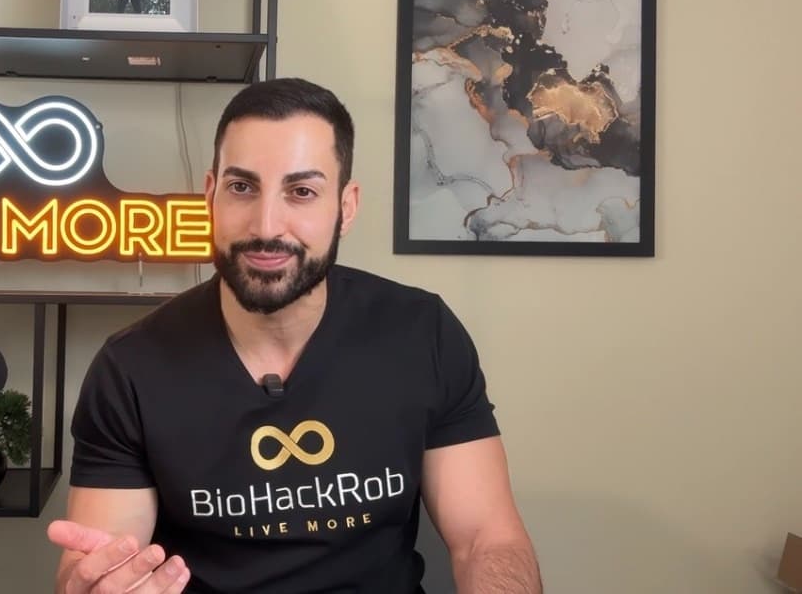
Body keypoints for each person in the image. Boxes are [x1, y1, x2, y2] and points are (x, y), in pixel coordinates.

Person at [47, 78, 541, 593]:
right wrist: (100, 586)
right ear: (211, 195)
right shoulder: (131, 368)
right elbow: (104, 559)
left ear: (346, 208)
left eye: (301, 191)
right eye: (242, 187)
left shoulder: (423, 334)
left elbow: (488, 540)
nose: (267, 225)